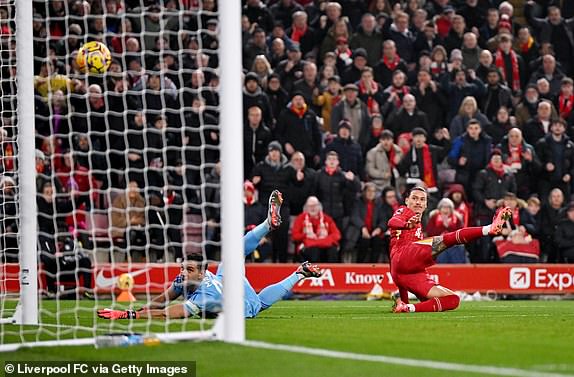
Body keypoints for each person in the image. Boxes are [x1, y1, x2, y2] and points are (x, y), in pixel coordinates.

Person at [98, 191, 323, 320]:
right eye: (183, 268)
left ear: (203, 272)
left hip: (239, 302)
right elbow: (162, 300)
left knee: (259, 303)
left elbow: (169, 313)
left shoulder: (204, 297)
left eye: (189, 270)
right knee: (233, 252)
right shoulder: (184, 280)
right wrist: (136, 310)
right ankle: (268, 226)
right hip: (226, 281)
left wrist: (130, 316)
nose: (184, 273)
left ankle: (298, 272)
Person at [391, 186, 512, 313]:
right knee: (447, 239)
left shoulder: (418, 224)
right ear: (406, 201)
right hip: (404, 256)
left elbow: (398, 272)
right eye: (414, 198)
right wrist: (406, 225)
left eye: (422, 200)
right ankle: (489, 228)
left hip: (411, 271)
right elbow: (393, 221)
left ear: (426, 204)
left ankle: (408, 308)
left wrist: (403, 300)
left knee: (453, 299)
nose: (418, 202)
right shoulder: (403, 211)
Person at [292, 196, 341, 263]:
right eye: (310, 206)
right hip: (309, 248)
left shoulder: (327, 219)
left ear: (319, 207)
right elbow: (295, 236)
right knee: (314, 250)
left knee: (332, 250)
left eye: (315, 205)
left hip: (323, 244)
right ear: (306, 208)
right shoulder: (300, 219)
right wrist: (305, 235)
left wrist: (321, 241)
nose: (313, 208)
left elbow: (337, 235)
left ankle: (333, 272)